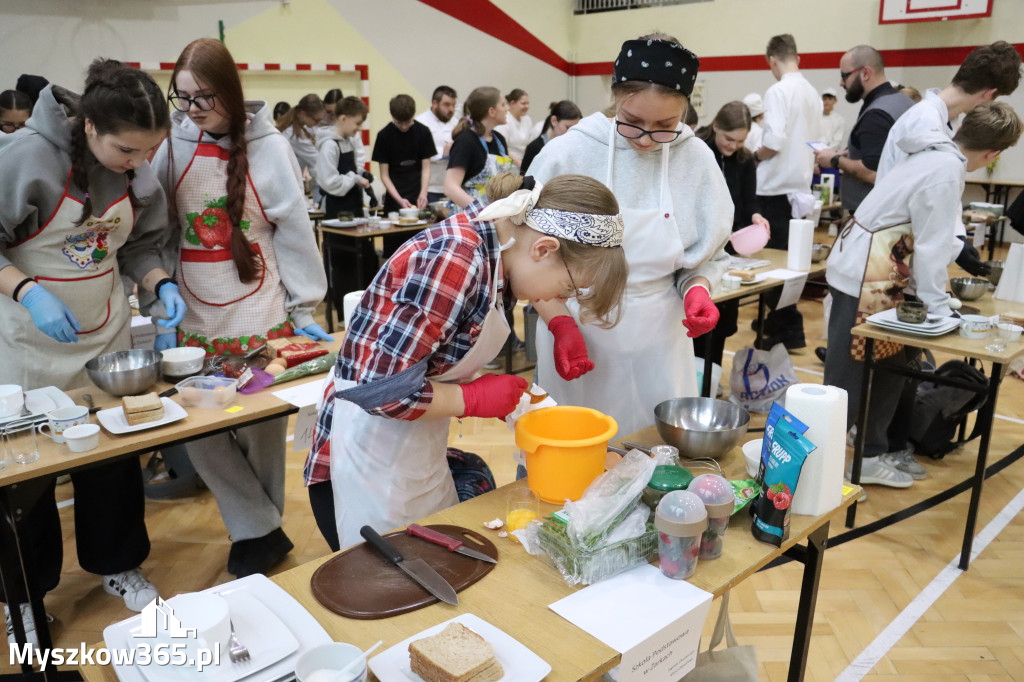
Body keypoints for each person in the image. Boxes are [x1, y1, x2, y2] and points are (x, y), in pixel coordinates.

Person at [306, 172, 628, 550]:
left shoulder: (501, 243)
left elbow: (528, 281)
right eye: (569, 289)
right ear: (542, 249)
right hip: (368, 454)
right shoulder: (456, 259)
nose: (564, 297)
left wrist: (560, 322)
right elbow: (383, 393)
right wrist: (472, 399)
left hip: (413, 446)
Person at [0, 59, 186, 639]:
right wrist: (30, 292)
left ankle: (118, 565)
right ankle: (24, 595)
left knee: (111, 454)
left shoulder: (136, 170)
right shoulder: (24, 157)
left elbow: (142, 244)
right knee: (28, 473)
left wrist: (159, 283)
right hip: (29, 338)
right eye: (127, 151)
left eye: (147, 151)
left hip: (102, 332)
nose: (139, 165)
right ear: (88, 128)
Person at [153, 38, 329, 577]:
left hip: (260, 302)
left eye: (203, 98)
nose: (192, 111)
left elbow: (295, 232)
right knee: (198, 426)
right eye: (182, 99)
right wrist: (157, 294)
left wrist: (306, 306)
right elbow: (155, 228)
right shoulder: (172, 144)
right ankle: (259, 525)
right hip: (194, 309)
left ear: (230, 91)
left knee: (260, 424)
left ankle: (256, 532)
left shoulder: (268, 146)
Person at [528, 33, 733, 438]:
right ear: (614, 98)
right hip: (577, 327)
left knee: (656, 452)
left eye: (664, 127)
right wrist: (559, 324)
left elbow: (705, 253)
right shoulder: (568, 154)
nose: (644, 139)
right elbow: (527, 257)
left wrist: (698, 289)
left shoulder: (695, 159)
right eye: (633, 122)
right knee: (573, 459)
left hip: (661, 338)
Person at [825, 102, 1022, 487]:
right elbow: (930, 249)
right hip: (865, 275)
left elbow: (926, 234)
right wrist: (938, 308)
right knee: (845, 382)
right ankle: (816, 468)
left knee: (891, 370)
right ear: (994, 154)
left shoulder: (936, 153)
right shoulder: (945, 169)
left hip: (882, 274)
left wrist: (932, 300)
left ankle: (869, 454)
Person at [879, 41, 1022, 280]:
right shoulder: (923, 122)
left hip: (907, 249)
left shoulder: (945, 122)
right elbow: (921, 201)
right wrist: (955, 247)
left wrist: (957, 238)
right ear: (988, 94)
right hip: (887, 252)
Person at [754, 34, 822, 351]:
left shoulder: (778, 90)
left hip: (774, 187)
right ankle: (777, 320)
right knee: (788, 261)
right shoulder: (812, 93)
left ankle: (788, 326)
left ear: (772, 60)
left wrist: (754, 156)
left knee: (770, 263)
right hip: (799, 189)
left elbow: (774, 141)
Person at [693, 102, 768, 372]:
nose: (733, 145)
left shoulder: (745, 159)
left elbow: (750, 200)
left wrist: (756, 216)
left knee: (723, 321)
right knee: (696, 318)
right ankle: (695, 378)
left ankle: (711, 379)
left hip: (730, 249)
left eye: (740, 140)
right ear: (715, 127)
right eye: (728, 138)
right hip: (698, 245)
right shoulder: (697, 151)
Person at [813, 46, 914, 214]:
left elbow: (873, 172)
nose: (841, 83)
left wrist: (834, 160)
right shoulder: (902, 102)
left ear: (866, 73)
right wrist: (850, 152)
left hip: (875, 216)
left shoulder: (877, 114)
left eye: (845, 76)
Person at [444, 87, 513, 211]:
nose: (507, 108)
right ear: (491, 111)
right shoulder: (466, 141)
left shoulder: (500, 140)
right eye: (503, 104)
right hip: (471, 219)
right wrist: (483, 211)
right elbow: (450, 187)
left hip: (497, 216)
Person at [372, 94, 436, 213]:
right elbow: (384, 175)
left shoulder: (423, 132)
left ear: (414, 114)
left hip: (418, 196)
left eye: (408, 122)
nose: (404, 127)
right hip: (394, 198)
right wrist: (399, 199)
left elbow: (426, 169)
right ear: (392, 116)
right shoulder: (384, 136)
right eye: (399, 122)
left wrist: (423, 193)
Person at [315, 95, 370, 218]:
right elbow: (330, 182)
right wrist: (355, 178)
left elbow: (352, 169)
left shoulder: (348, 141)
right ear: (344, 119)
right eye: (358, 123)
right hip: (337, 212)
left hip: (354, 206)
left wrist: (361, 175)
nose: (359, 128)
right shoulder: (329, 146)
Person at [415, 85, 458, 203]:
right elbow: (417, 152)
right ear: (435, 103)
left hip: (452, 186)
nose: (451, 109)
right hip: (429, 187)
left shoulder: (456, 122)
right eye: (447, 104)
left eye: (453, 105)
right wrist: (442, 154)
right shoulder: (420, 122)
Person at [520, 100, 581, 174]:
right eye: (568, 127)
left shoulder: (573, 147)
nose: (571, 133)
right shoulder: (534, 149)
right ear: (554, 121)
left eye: (575, 128)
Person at [277, 93, 325, 181]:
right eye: (316, 120)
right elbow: (317, 162)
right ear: (303, 114)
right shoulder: (295, 135)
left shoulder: (290, 127)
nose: (317, 124)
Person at [493, 88, 532, 165]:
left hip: (523, 161)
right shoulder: (504, 120)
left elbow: (528, 144)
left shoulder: (527, 119)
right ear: (512, 103)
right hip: (508, 163)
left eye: (528, 103)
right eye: (523, 103)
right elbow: (502, 148)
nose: (527, 106)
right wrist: (519, 163)